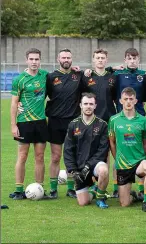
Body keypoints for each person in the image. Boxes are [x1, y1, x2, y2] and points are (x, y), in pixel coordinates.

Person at [9, 48, 49, 200]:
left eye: (37, 59)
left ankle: (40, 188)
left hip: (40, 122)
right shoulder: (19, 80)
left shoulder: (45, 76)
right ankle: (19, 190)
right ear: (26, 60)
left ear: (40, 60)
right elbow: (14, 104)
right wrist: (13, 126)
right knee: (22, 156)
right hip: (24, 123)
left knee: (40, 156)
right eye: (31, 59)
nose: (34, 62)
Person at [46, 48, 86, 199]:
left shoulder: (78, 75)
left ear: (72, 59)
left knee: (72, 156)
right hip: (55, 121)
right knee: (56, 156)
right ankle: (53, 189)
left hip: (73, 122)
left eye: (68, 57)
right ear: (58, 59)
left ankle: (71, 188)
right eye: (63, 57)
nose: (66, 60)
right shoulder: (51, 77)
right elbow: (41, 94)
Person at [108, 87, 146, 212]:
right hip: (123, 164)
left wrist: (141, 157)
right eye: (126, 99)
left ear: (136, 101)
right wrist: (117, 157)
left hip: (139, 162)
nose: (128, 102)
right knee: (124, 203)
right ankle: (133, 196)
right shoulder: (113, 120)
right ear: (120, 101)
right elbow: (112, 142)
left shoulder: (144, 121)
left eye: (131, 99)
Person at [63, 93, 110, 208]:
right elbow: (68, 150)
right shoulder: (73, 125)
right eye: (85, 104)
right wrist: (73, 171)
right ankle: (94, 190)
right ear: (80, 105)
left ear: (95, 106)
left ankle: (100, 198)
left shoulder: (102, 124)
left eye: (91, 104)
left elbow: (102, 150)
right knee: (83, 203)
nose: (88, 106)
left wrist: (88, 166)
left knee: (104, 169)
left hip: (94, 166)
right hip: (79, 168)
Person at [82, 49, 117, 123]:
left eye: (102, 58)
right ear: (93, 60)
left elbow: (116, 97)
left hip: (109, 117)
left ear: (106, 60)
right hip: (92, 117)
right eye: (98, 58)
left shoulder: (113, 77)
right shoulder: (86, 77)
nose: (100, 60)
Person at [114, 48, 146, 116]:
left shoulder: (144, 74)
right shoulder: (118, 74)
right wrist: (111, 68)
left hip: (139, 113)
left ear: (138, 60)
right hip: (122, 113)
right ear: (125, 60)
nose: (132, 61)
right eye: (129, 58)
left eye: (134, 58)